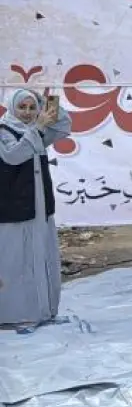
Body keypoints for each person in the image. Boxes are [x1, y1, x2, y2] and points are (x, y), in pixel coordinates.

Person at [0, 89, 72, 333]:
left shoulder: (36, 131)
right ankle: (15, 314)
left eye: (32, 107)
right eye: (23, 107)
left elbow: (63, 127)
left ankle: (42, 311)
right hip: (14, 208)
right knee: (16, 261)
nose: (28, 113)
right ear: (12, 108)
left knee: (41, 256)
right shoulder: (4, 131)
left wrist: (47, 105)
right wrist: (37, 127)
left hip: (39, 207)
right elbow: (12, 156)